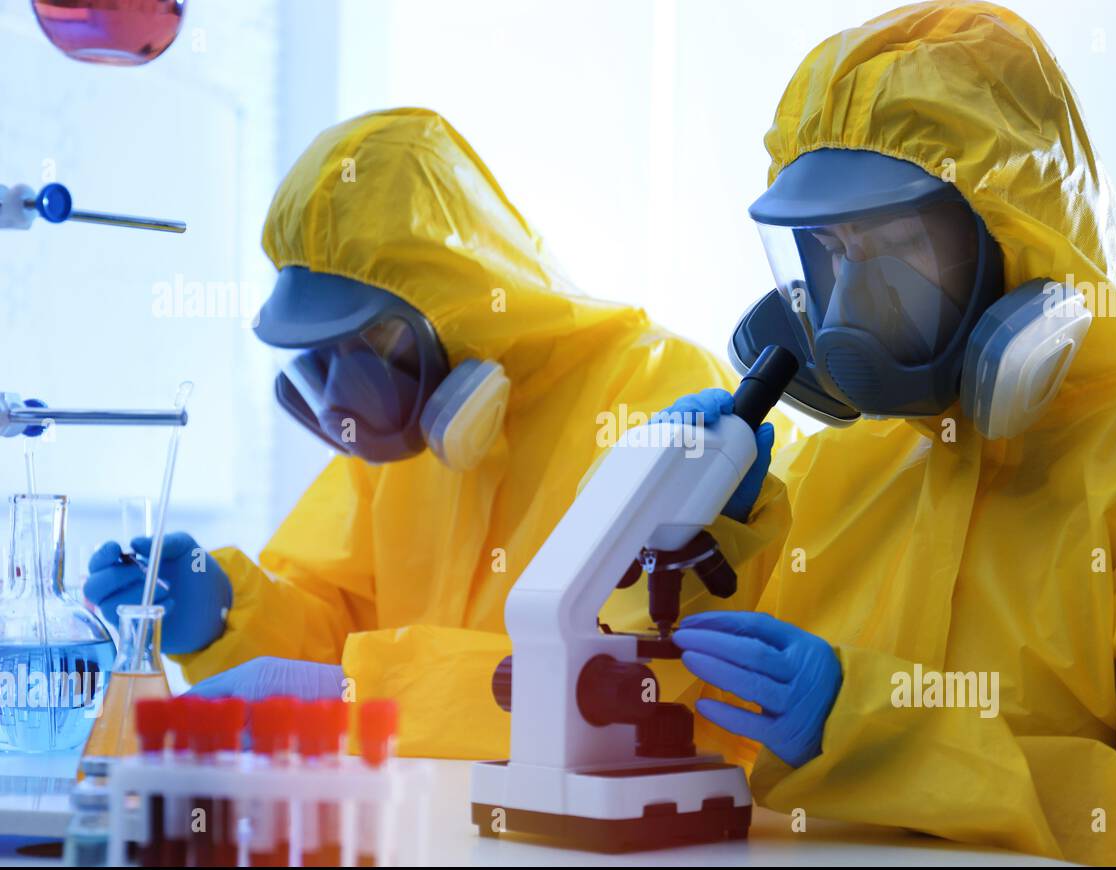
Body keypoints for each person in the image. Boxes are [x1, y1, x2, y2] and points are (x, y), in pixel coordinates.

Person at [665, 2, 1116, 865]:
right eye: (830, 251)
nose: (851, 305)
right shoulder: (832, 482)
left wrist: (878, 731)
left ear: (1014, 240)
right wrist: (679, 549)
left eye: (892, 247)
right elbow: (664, 748)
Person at [83, 108, 788, 757]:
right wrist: (229, 613)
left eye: (361, 344)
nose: (336, 394)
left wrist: (368, 692)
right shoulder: (403, 438)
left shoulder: (647, 390)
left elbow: (638, 679)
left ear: (452, 310)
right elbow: (329, 640)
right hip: (413, 823)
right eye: (316, 358)